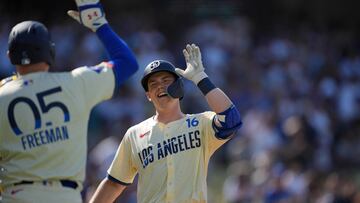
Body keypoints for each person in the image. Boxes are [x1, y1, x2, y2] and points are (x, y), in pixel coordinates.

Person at [0, 0, 138, 202]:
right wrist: (99, 24)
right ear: (51, 52)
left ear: (10, 56)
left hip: (16, 196)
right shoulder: (76, 83)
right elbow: (127, 62)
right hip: (66, 196)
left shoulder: (2, 94)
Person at [90, 43, 243, 203]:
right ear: (148, 95)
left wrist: (200, 78)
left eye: (166, 80)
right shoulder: (134, 134)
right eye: (153, 84)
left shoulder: (200, 123)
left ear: (178, 85)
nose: (160, 86)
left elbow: (231, 120)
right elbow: (114, 183)